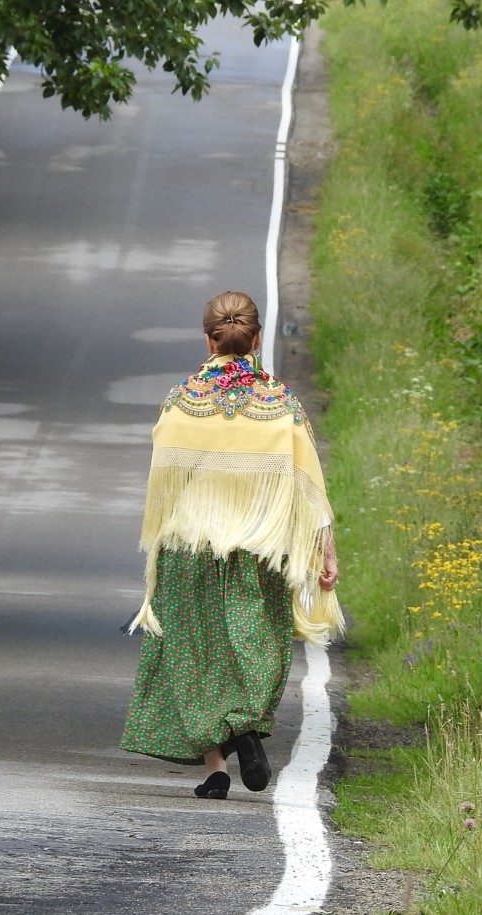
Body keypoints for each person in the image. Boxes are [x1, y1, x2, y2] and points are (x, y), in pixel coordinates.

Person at [120, 290, 342, 800]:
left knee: (193, 653)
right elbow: (309, 485)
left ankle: (216, 767)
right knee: (254, 646)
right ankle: (245, 727)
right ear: (257, 338)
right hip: (258, 551)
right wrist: (323, 554)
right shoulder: (279, 404)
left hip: (190, 548)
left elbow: (164, 481)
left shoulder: (182, 400)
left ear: (208, 338)